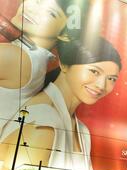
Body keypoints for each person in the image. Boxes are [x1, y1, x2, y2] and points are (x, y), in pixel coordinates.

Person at [0, 34, 122, 170]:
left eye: (111, 79)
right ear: (64, 64)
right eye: (94, 71)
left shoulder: (82, 130)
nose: (101, 85)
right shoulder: (42, 121)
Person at [0, 0, 87, 135]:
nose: (32, 9)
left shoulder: (16, 56)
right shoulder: (37, 60)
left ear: (65, 34)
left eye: (51, 13)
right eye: (36, 1)